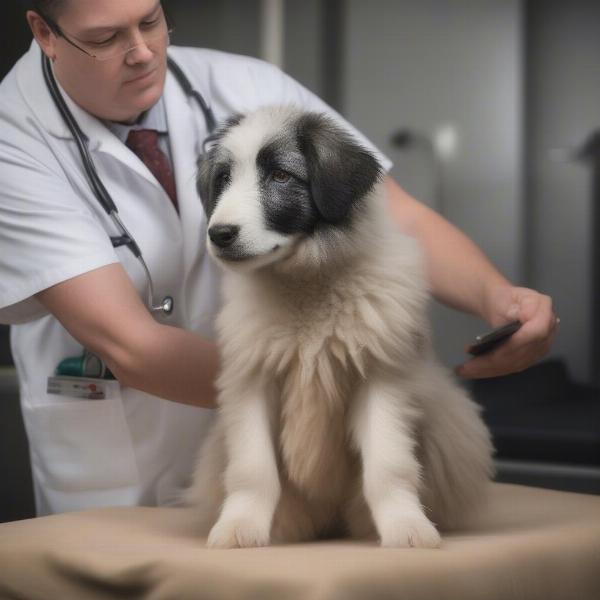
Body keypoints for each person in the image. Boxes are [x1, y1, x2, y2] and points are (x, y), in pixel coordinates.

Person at [0, 0, 557, 516]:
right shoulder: (13, 141)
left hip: (292, 479)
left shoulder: (244, 84)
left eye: (150, 20)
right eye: (105, 37)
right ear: (44, 32)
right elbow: (132, 344)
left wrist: (496, 296)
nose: (142, 51)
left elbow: (393, 214)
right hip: (119, 473)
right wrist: (340, 393)